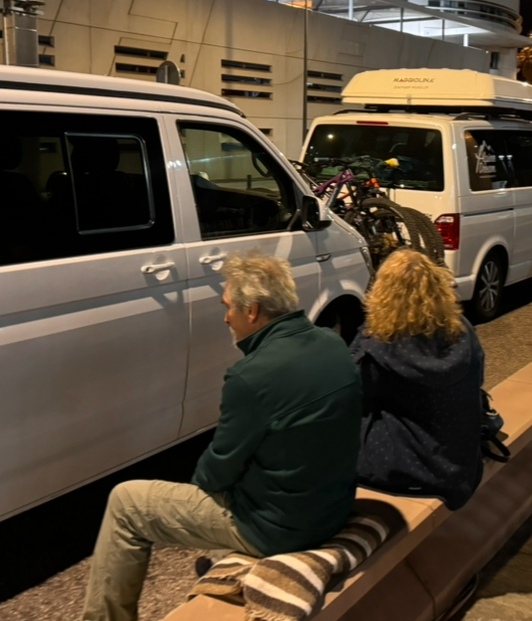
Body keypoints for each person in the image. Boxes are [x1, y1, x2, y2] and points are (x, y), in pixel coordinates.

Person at [82, 253, 362, 621]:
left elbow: (215, 474)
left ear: (253, 311)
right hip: (331, 510)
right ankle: (220, 557)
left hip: (282, 530)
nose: (226, 316)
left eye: (229, 306)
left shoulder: (250, 376)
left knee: (127, 503)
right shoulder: (331, 343)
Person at [350, 248, 485, 510]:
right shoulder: (463, 333)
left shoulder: (379, 346)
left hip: (403, 471)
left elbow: (347, 392)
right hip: (459, 467)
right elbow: (477, 380)